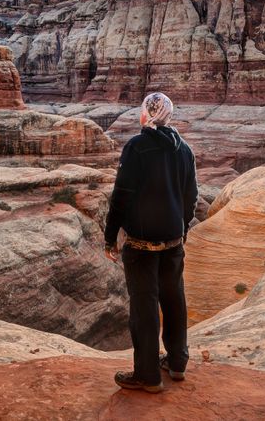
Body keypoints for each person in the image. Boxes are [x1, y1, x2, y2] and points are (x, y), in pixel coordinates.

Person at [104, 91, 198, 393]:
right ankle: (177, 362)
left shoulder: (136, 147)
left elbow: (121, 196)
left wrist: (110, 236)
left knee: (144, 307)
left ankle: (148, 375)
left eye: (143, 109)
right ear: (168, 115)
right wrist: (181, 228)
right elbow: (190, 197)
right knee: (174, 301)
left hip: (142, 245)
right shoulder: (183, 149)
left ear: (146, 113)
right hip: (173, 241)